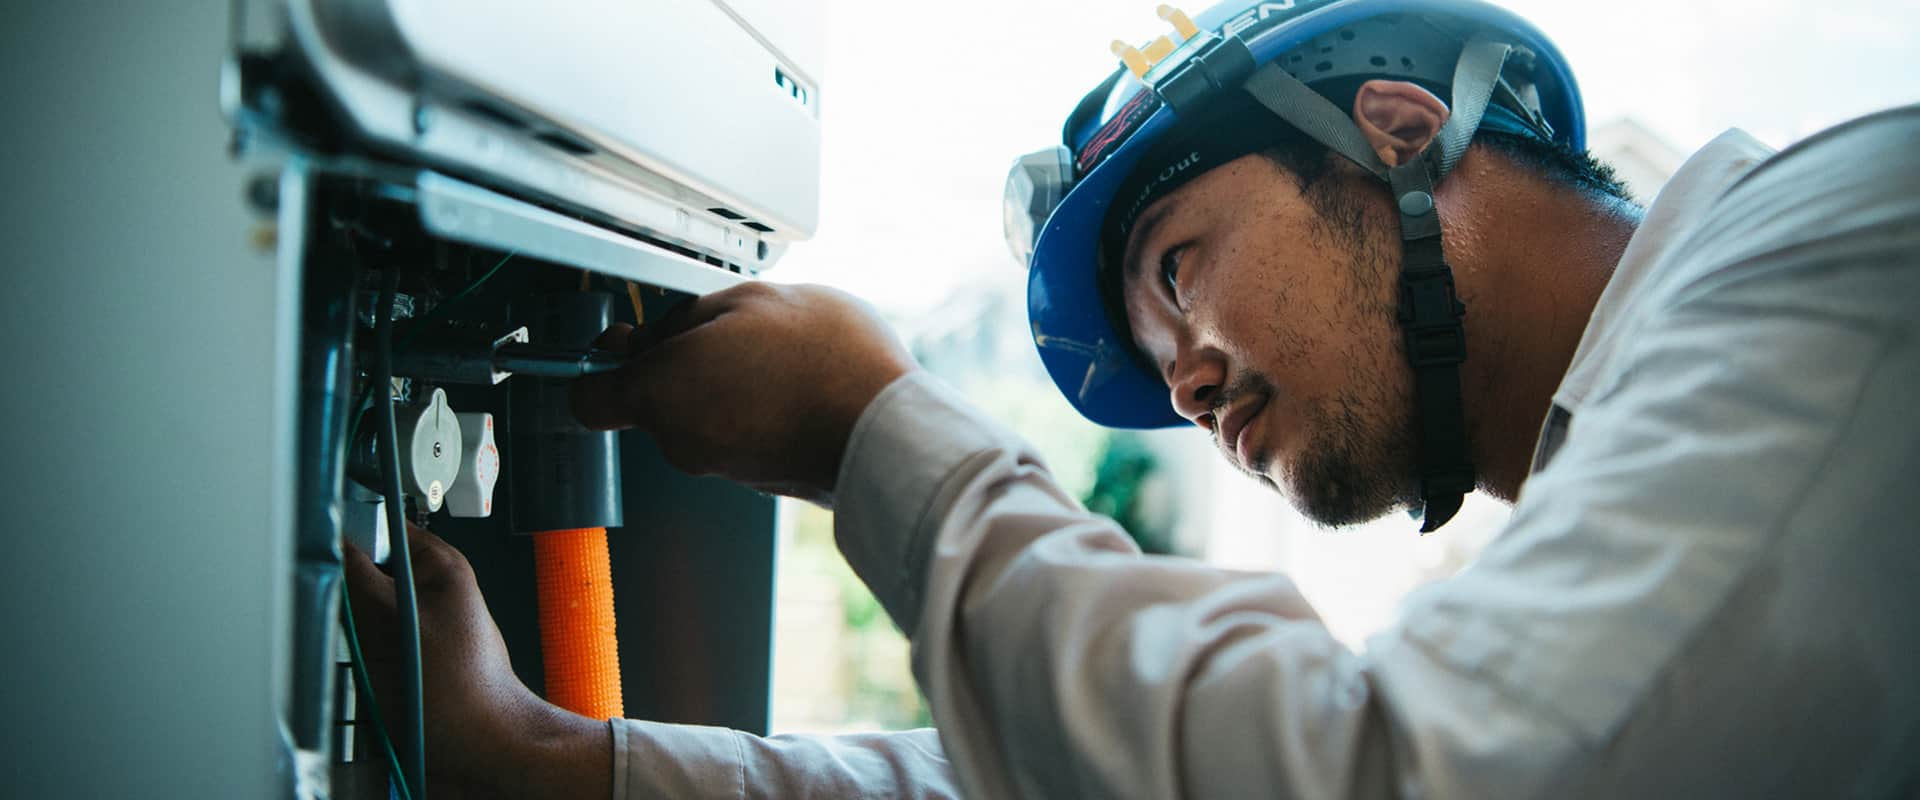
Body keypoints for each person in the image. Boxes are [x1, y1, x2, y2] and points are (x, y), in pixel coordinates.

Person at [345, 0, 1920, 796]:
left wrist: (866, 434)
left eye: (1177, 267)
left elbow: (1345, 770)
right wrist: (564, 767)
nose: (1189, 383)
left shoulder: (1832, 244)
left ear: (1391, 128)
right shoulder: (1633, 499)